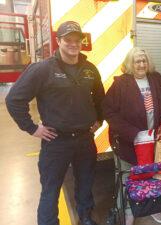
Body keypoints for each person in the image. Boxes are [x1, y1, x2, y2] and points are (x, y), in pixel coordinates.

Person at [5, 21, 105, 225]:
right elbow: (14, 99)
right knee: (51, 190)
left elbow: (100, 98)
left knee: (85, 183)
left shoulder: (90, 69)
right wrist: (32, 128)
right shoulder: (42, 69)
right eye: (68, 39)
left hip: (85, 140)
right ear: (58, 41)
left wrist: (99, 119)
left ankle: (85, 216)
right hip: (56, 142)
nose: (73, 44)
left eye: (77, 40)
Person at [102, 47, 161, 225]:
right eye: (137, 61)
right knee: (129, 178)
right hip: (130, 142)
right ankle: (128, 211)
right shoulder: (121, 83)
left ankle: (154, 208)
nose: (141, 64)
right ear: (130, 64)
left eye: (144, 60)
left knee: (155, 175)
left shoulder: (156, 79)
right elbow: (108, 111)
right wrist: (132, 133)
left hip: (155, 140)